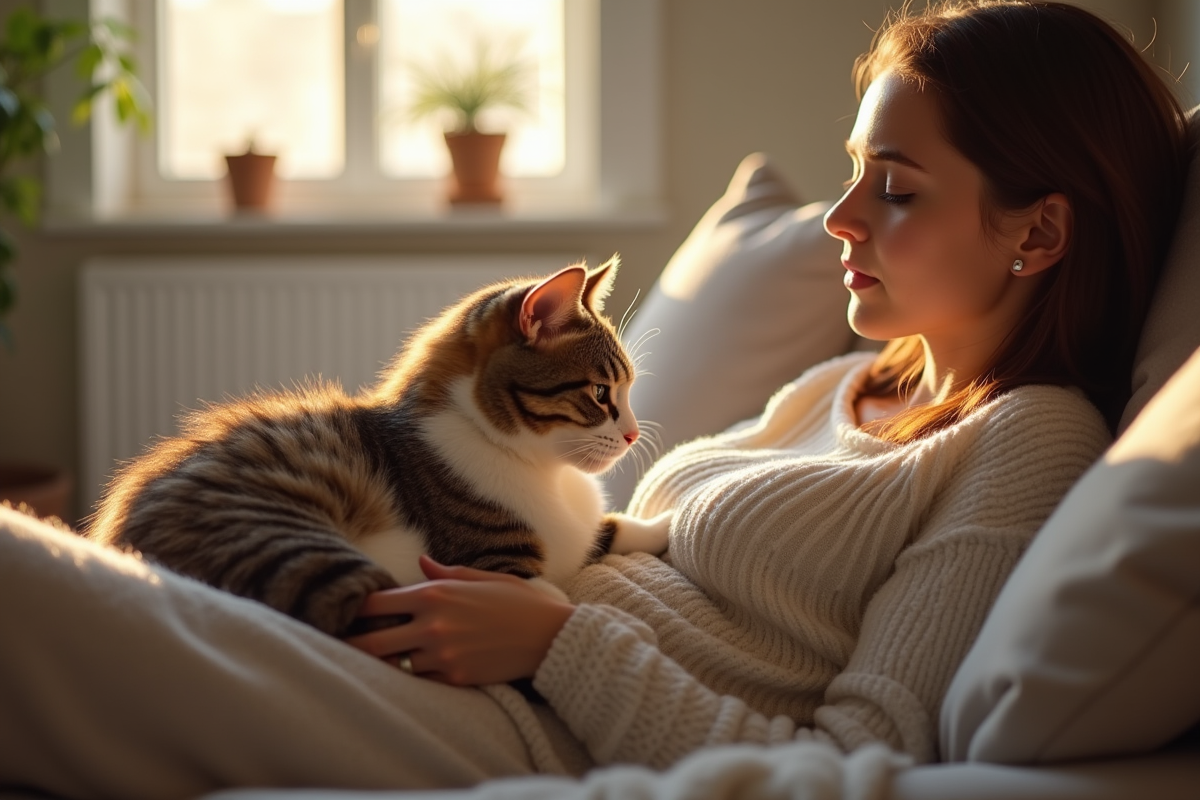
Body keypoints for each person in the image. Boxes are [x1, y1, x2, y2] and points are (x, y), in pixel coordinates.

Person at [0, 1, 1189, 796]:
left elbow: (863, 756)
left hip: (512, 715)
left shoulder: (1026, 437)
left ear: (1037, 229)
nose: (839, 217)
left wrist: (563, 643)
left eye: (897, 188)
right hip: (443, 640)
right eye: (851, 176)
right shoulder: (838, 385)